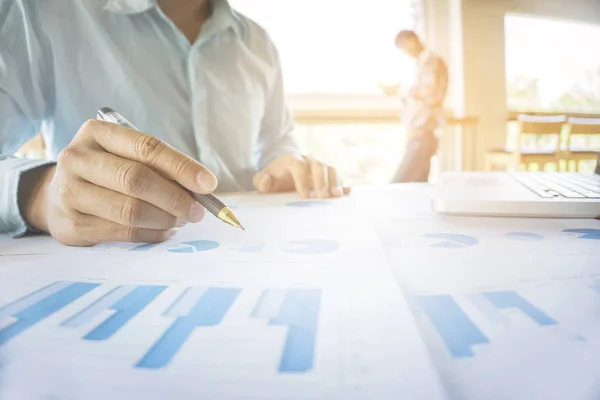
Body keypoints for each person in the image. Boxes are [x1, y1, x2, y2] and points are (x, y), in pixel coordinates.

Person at [0, 0, 350, 247]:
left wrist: (286, 168)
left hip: (240, 260)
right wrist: (41, 195)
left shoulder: (258, 43)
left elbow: (276, 144)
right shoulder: (38, 12)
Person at [391, 30, 448, 183]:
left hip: (423, 132)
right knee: (418, 185)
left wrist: (402, 91)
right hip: (420, 131)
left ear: (412, 41)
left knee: (399, 183)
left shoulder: (432, 62)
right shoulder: (422, 63)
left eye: (404, 48)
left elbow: (431, 95)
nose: (406, 53)